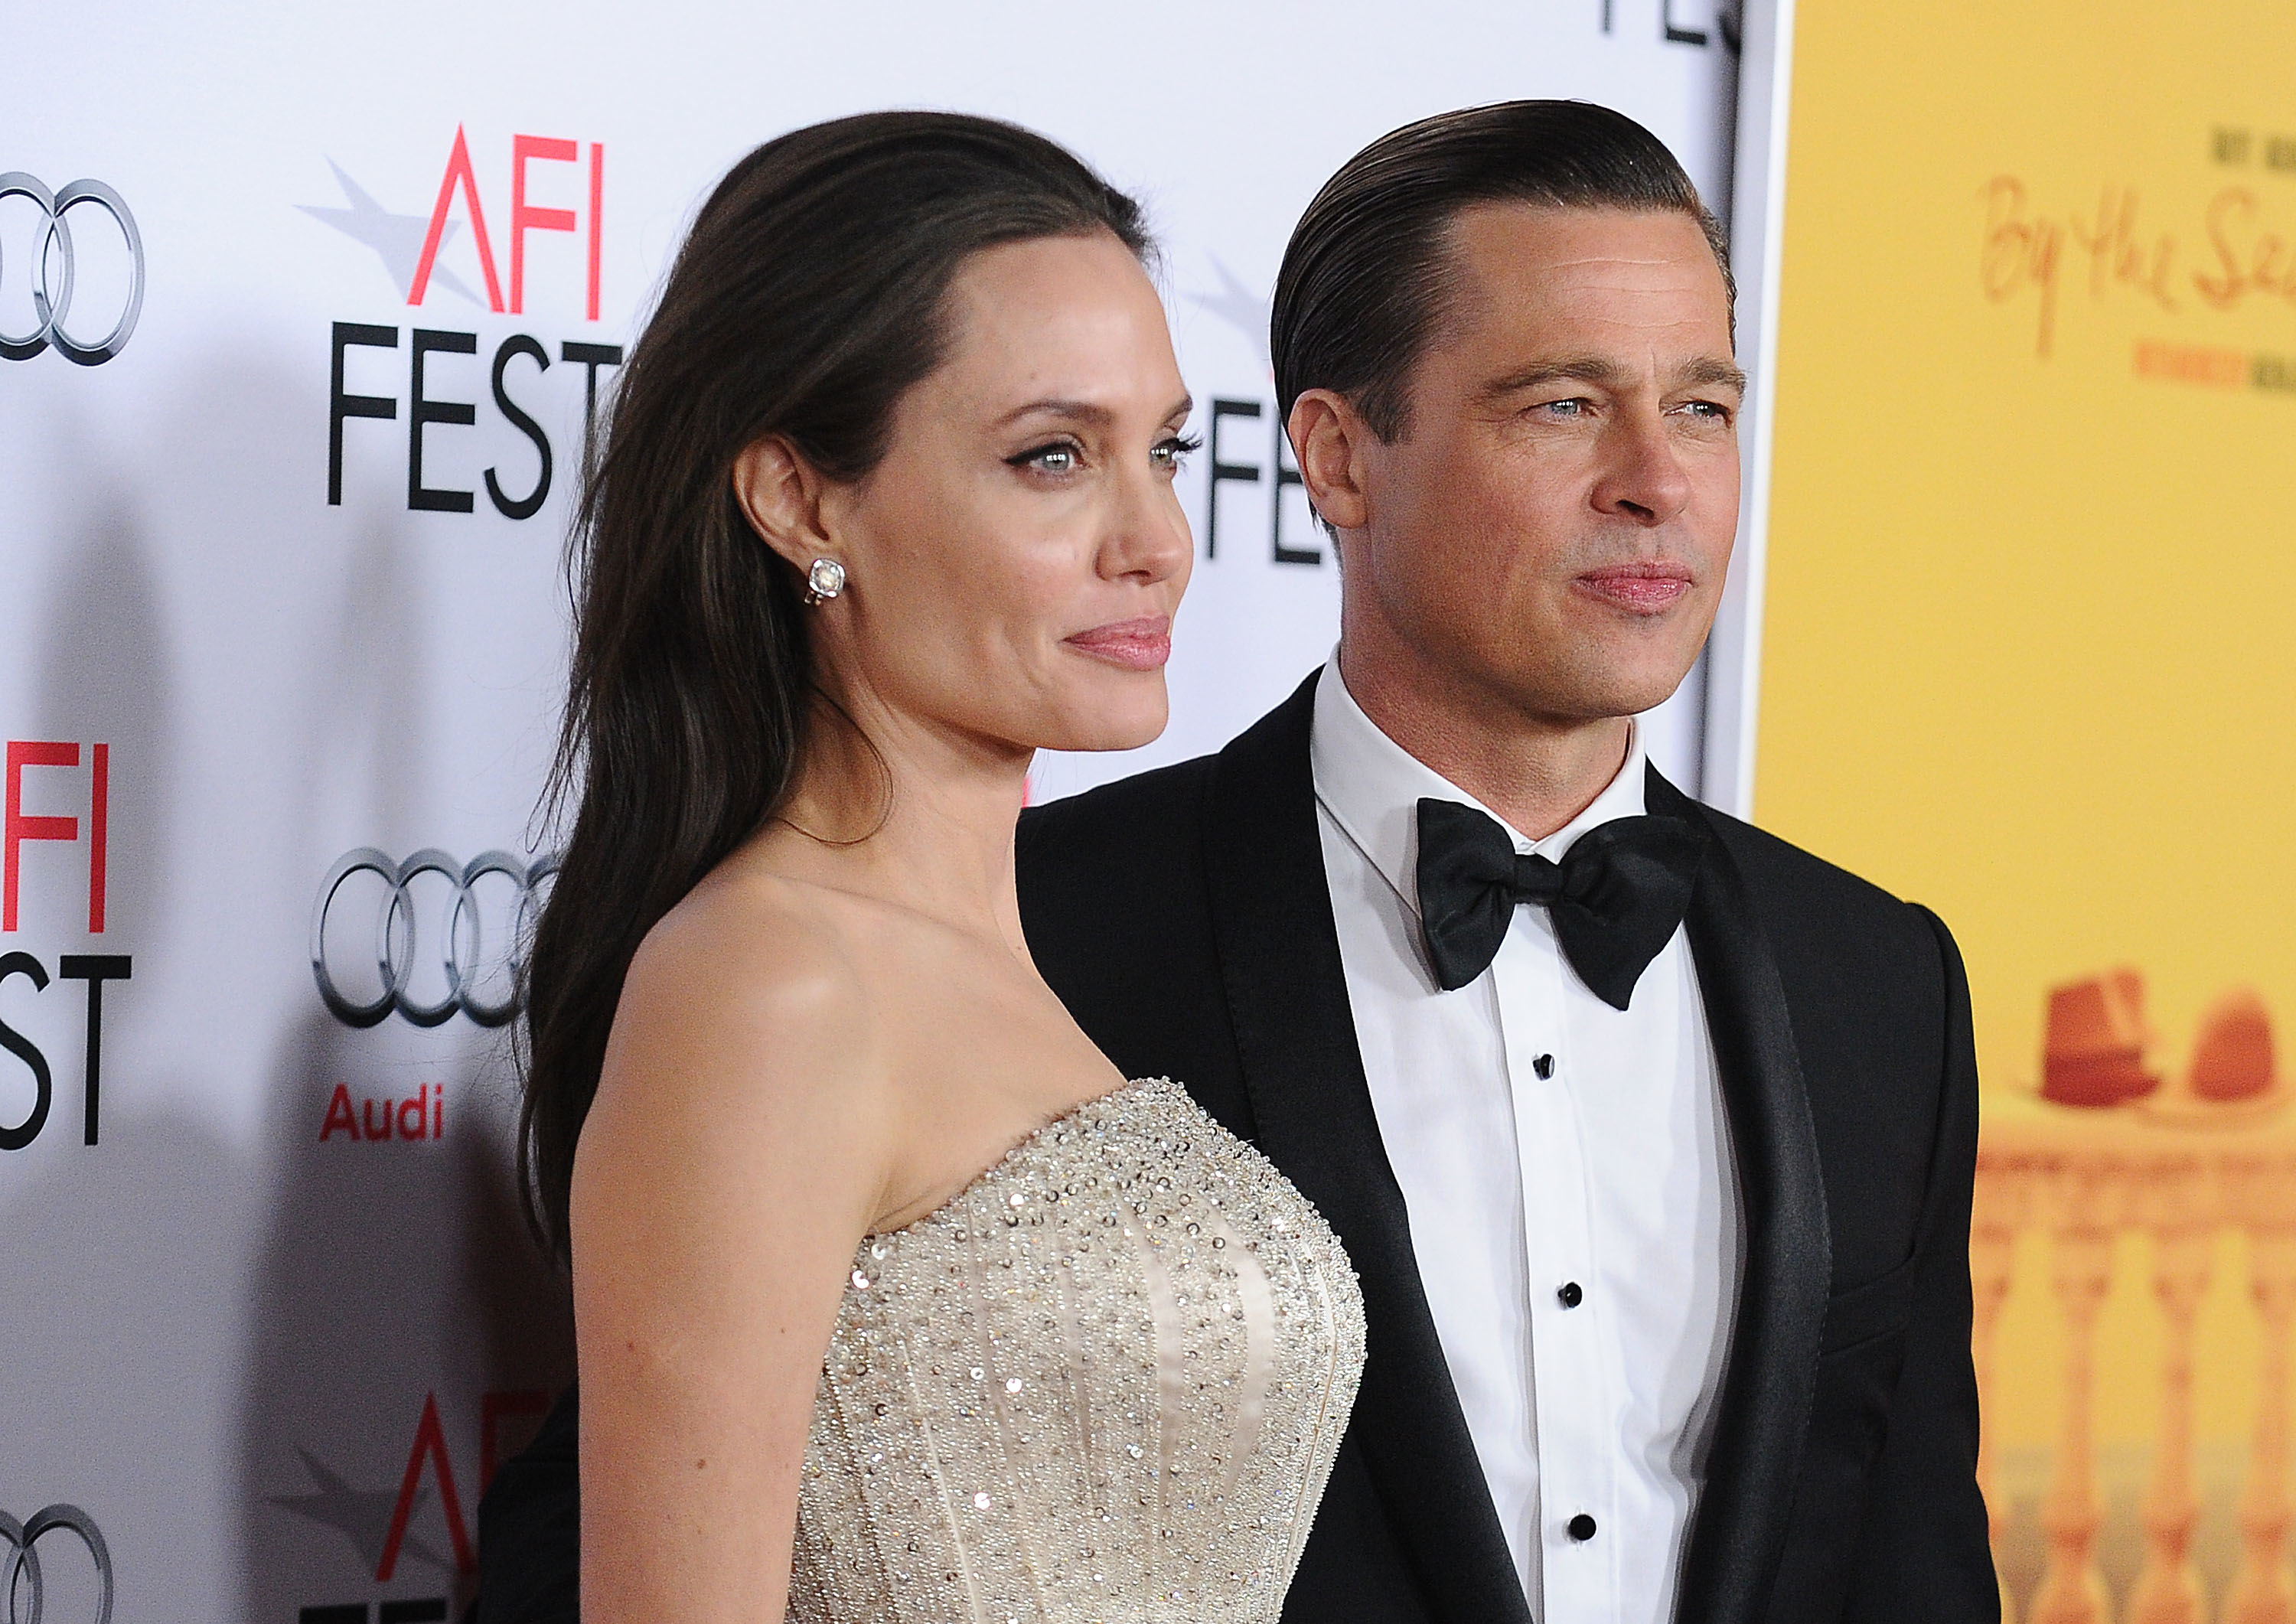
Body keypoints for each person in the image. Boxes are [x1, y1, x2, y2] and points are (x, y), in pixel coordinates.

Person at [484, 99, 1994, 1624]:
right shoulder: (1016, 935)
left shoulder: (1883, 988)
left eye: (1707, 408)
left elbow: (1915, 1562)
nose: (1658, 482)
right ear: (1336, 456)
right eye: (1560, 405)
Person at [511, 111, 1365, 1624]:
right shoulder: (766, 982)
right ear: (801, 500)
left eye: (1161, 449)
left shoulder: (1033, 956)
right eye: (1054, 457)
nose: (1156, 537)